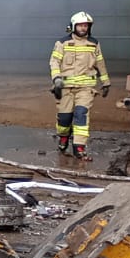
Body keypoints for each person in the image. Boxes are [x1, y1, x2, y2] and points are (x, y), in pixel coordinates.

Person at [50, 11, 111, 162]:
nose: (83, 28)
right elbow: (54, 62)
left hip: (86, 88)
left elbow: (100, 63)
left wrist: (105, 82)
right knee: (64, 119)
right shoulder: (62, 43)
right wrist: (56, 79)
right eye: (80, 25)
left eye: (86, 25)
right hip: (66, 87)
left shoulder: (94, 43)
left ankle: (79, 148)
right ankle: (64, 137)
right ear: (73, 26)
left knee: (81, 114)